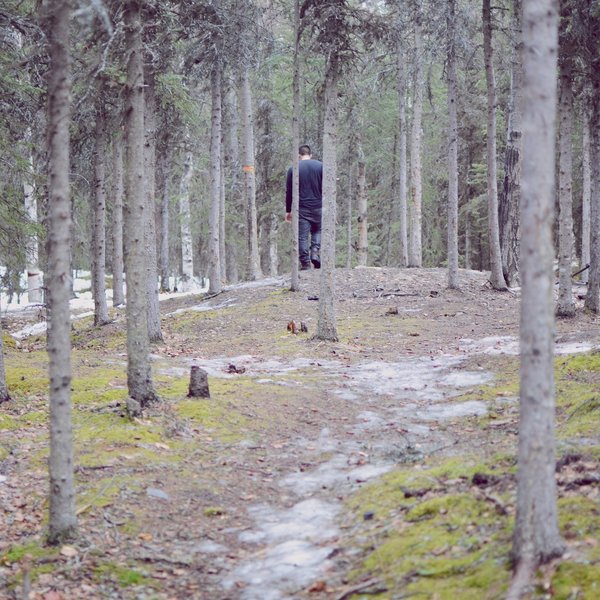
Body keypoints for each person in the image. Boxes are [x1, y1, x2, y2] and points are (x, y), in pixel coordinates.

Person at [285, 144, 323, 270]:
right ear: (310, 155)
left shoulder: (293, 169)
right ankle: (315, 252)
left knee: (302, 236)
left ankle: (305, 263)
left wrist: (288, 211)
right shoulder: (321, 166)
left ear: (298, 155)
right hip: (319, 206)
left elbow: (289, 191)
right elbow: (327, 189)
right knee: (318, 230)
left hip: (301, 208)